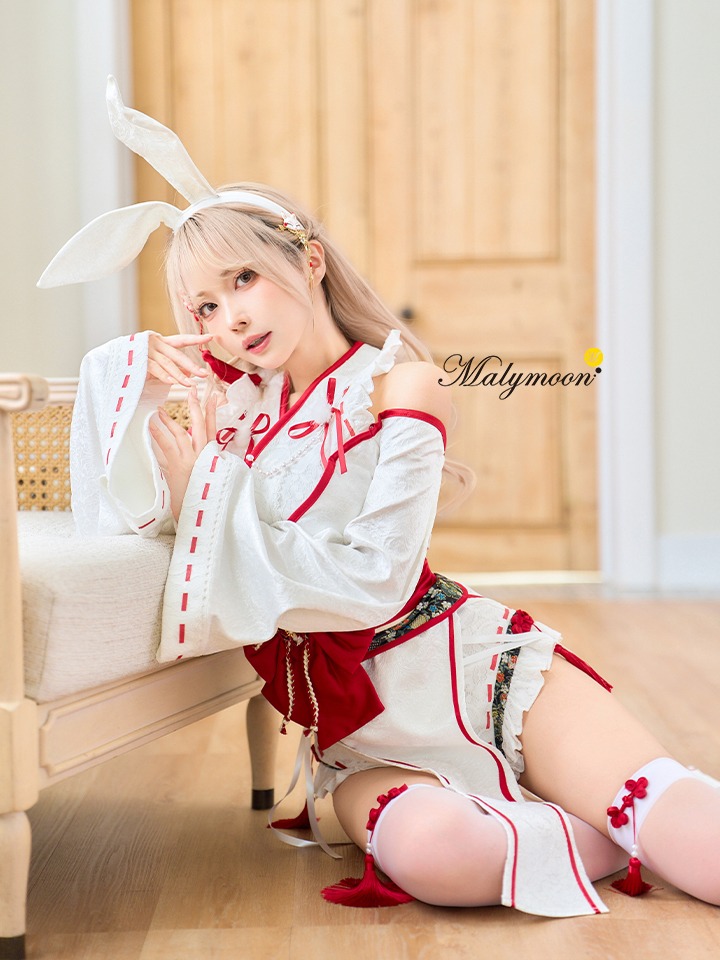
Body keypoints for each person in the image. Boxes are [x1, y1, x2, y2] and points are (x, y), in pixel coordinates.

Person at [38, 79, 720, 917]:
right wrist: (134, 383)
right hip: (366, 734)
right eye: (206, 306)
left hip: (474, 671)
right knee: (438, 857)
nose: (230, 318)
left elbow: (377, 579)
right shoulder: (238, 416)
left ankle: (610, 815)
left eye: (244, 278)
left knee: (686, 827)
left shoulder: (400, 385)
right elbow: (151, 531)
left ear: (309, 261)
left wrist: (206, 490)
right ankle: (593, 829)